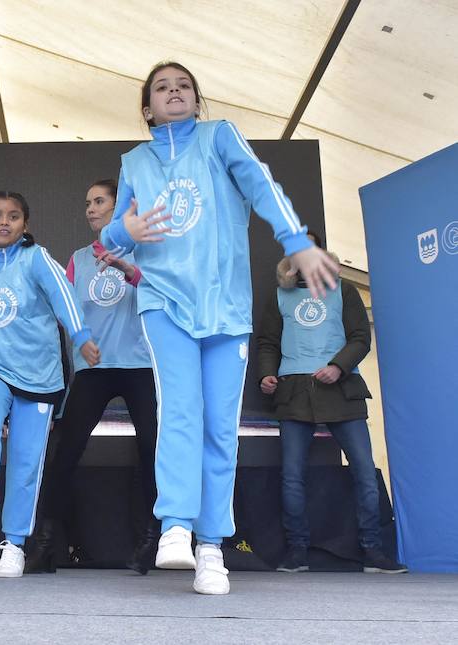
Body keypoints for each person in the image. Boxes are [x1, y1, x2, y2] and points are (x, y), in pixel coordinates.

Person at [99, 61, 339, 594]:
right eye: (162, 87)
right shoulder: (134, 161)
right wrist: (125, 227)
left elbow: (260, 183)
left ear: (197, 99)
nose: (174, 92)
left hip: (225, 308)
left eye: (183, 85)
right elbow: (113, 240)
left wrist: (296, 240)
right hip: (163, 302)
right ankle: (177, 526)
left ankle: (212, 547)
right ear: (147, 108)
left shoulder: (219, 137)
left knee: (218, 426)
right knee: (180, 410)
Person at [0, 190, 100, 578]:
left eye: (13, 216)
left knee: (28, 461)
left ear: (25, 224)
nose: (4, 222)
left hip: (39, 375)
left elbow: (65, 298)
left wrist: (82, 337)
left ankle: (15, 544)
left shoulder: (36, 258)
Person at [25, 179, 159, 575]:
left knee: (153, 450)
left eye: (99, 201)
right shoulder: (79, 258)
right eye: (87, 202)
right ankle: (47, 544)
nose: (90, 208)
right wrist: (78, 340)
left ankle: (149, 542)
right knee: (64, 451)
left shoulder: (145, 253)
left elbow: (164, 294)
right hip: (93, 367)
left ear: (121, 209)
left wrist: (127, 268)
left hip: (140, 365)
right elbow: (63, 308)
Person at [256, 232, 407, 574]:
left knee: (365, 473)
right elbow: (267, 342)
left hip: (341, 389)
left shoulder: (345, 290)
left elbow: (360, 337)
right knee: (292, 476)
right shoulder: (280, 296)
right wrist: (266, 374)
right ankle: (297, 552)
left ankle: (373, 552)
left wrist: (338, 366)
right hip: (293, 390)